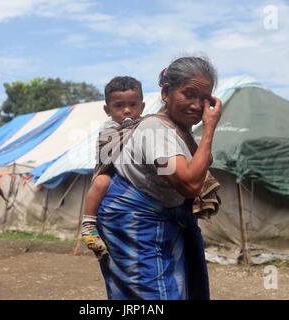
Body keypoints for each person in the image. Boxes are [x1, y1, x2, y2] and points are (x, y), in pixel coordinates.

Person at [96, 55, 222, 300]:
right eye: (189, 94)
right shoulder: (156, 130)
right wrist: (209, 129)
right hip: (137, 224)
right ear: (166, 92)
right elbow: (188, 184)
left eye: (204, 98)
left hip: (161, 223)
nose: (197, 105)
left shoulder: (176, 131)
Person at [81, 76, 145, 259]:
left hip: (135, 176)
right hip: (109, 170)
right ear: (107, 109)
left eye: (133, 105)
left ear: (142, 106)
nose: (127, 110)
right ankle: (88, 225)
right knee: (101, 182)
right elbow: (109, 151)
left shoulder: (148, 125)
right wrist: (131, 128)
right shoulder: (108, 127)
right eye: (119, 106)